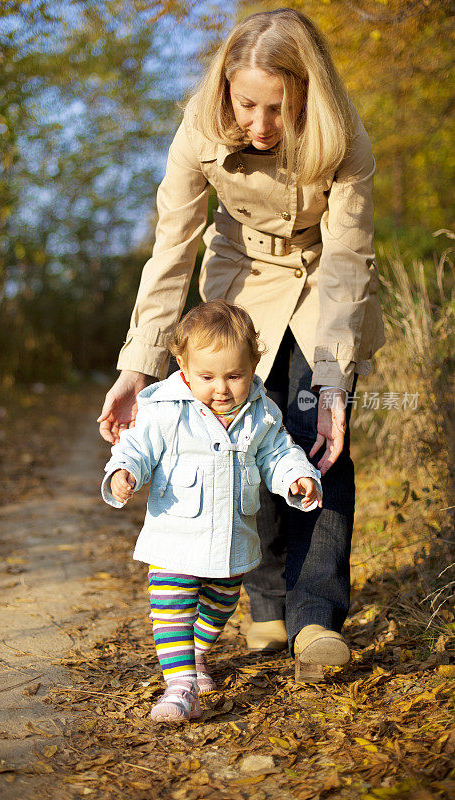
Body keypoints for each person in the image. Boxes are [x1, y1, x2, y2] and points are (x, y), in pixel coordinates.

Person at [98, 9, 385, 681]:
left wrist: (335, 381)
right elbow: (171, 247)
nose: (258, 126)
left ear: (307, 96)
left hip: (324, 288)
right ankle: (267, 603)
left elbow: (349, 259)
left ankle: (315, 617)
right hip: (240, 284)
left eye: (278, 109)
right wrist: (137, 366)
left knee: (318, 439)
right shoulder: (197, 130)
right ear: (225, 89)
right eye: (245, 104)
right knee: (239, 439)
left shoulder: (345, 140)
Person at [101, 301, 323, 722]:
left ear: (255, 363)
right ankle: (180, 686)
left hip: (232, 542)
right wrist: (124, 469)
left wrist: (296, 476)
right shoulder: (165, 408)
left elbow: (278, 453)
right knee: (172, 606)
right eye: (206, 377)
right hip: (174, 536)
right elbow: (136, 445)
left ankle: (198, 654)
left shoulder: (261, 413)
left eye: (234, 375)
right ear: (182, 365)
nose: (220, 388)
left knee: (219, 605)